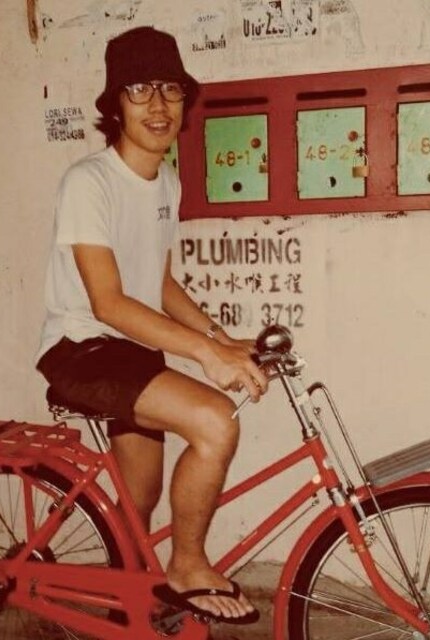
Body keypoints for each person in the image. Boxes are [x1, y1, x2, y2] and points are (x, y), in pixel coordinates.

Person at [36, 26, 268, 625]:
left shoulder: (166, 180)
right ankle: (187, 565)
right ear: (115, 104)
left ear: (185, 100)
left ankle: (126, 611)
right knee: (215, 421)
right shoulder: (89, 182)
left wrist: (220, 340)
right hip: (82, 350)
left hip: (127, 351)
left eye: (170, 88)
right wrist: (205, 357)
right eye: (139, 89)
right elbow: (110, 303)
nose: (158, 104)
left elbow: (157, 284)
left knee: (137, 504)